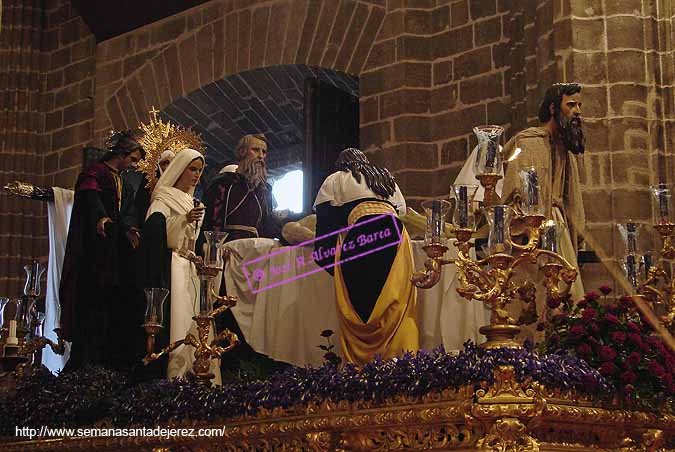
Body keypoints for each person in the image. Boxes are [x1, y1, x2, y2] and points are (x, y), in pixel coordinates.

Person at [313, 148, 418, 365]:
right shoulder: (386, 178)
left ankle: (363, 366)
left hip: (360, 239)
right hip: (396, 237)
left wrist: (331, 262)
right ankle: (401, 361)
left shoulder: (336, 180)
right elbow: (402, 212)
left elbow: (325, 228)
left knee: (359, 308)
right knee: (397, 304)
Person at [59, 130, 145, 371]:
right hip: (95, 252)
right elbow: (91, 202)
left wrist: (130, 229)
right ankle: (85, 362)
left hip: (115, 252)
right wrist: (102, 219)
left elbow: (127, 212)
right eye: (133, 159)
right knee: (92, 306)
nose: (133, 165)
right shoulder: (95, 172)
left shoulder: (125, 183)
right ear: (121, 152)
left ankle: (108, 361)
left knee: (115, 305)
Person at [140, 148, 221, 383]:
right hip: (173, 265)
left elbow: (192, 242)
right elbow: (155, 232)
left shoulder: (196, 202)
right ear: (179, 169)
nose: (196, 175)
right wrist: (183, 220)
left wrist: (198, 256)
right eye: (192, 169)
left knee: (197, 320)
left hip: (190, 268)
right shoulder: (163, 197)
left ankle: (199, 370)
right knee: (180, 318)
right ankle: (176, 375)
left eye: (200, 170)